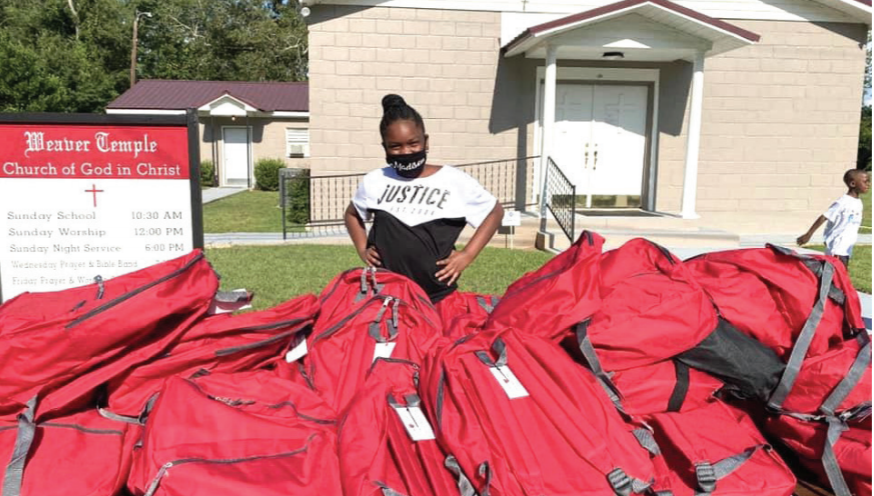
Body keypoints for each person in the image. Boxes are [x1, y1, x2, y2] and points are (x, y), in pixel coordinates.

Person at [344, 94, 503, 304]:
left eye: (413, 143)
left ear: (426, 142)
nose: (406, 151)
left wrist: (467, 254)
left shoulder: (453, 180)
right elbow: (352, 214)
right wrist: (363, 248)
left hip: (437, 296)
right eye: (395, 146)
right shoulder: (375, 180)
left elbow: (494, 212)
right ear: (384, 147)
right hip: (386, 292)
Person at [797, 169, 869, 267]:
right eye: (865, 182)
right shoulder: (843, 202)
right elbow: (824, 217)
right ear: (853, 183)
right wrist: (808, 234)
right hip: (837, 247)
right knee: (835, 276)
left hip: (846, 248)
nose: (868, 184)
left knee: (839, 276)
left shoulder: (858, 202)